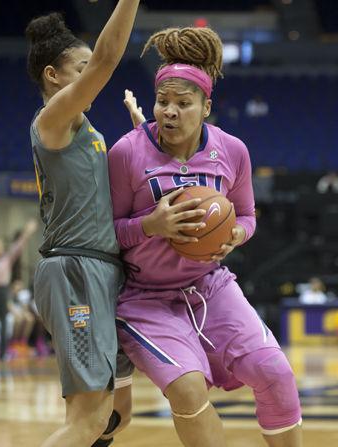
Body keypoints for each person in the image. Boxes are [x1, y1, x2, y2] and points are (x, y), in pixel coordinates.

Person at [110, 27, 302, 447]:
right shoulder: (125, 153)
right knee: (188, 388)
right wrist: (150, 225)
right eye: (163, 102)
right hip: (145, 298)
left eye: (183, 103)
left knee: (276, 374)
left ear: (206, 106)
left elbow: (248, 215)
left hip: (209, 287)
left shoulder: (233, 151)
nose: (170, 112)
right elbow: (105, 234)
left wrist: (235, 233)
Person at [25, 5, 139, 446]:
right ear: (53, 76)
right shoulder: (51, 121)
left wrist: (142, 136)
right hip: (75, 269)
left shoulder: (87, 130)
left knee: (116, 416)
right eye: (81, 66)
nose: (92, 71)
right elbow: (108, 58)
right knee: (87, 420)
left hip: (104, 271)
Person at [0, 220, 37, 360]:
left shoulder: (7, 258)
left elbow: (19, 245)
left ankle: (3, 352)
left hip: (2, 290)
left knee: (4, 320)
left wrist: (27, 231)